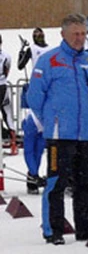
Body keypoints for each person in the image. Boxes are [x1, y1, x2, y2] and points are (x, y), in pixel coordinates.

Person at [26, 14, 88, 245]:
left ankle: (86, 229)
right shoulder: (49, 60)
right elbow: (34, 97)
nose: (80, 38)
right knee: (57, 182)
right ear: (63, 34)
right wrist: (50, 121)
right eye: (75, 34)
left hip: (86, 133)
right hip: (59, 134)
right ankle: (53, 229)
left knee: (86, 184)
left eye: (83, 33)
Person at [16, 29, 52, 193]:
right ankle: (33, 177)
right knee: (38, 146)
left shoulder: (33, 49)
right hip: (47, 102)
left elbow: (20, 65)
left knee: (31, 145)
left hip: (36, 96)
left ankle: (33, 176)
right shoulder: (52, 51)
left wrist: (22, 52)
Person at [0, 35, 13, 138]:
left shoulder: (6, 56)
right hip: (3, 85)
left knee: (6, 111)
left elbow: (6, 70)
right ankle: (10, 134)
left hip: (2, 86)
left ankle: (10, 135)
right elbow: (6, 70)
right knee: (6, 112)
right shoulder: (6, 55)